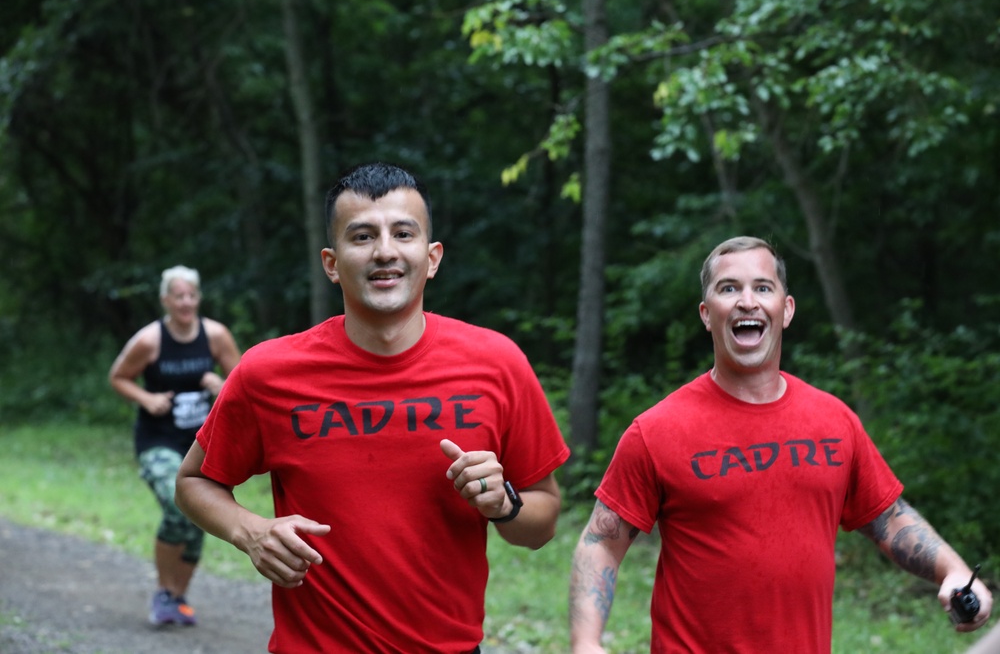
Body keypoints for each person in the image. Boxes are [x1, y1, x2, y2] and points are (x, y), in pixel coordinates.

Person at [175, 162, 570, 653]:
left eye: (403, 233)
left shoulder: (497, 363)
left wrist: (504, 503)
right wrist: (250, 530)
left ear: (432, 257)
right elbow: (194, 481)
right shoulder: (268, 372)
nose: (385, 251)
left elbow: (544, 521)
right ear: (332, 262)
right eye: (361, 236)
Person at [568, 236, 992, 652]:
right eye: (728, 288)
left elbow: (888, 517)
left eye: (763, 287)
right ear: (706, 313)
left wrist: (952, 571)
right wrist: (586, 643)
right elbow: (601, 542)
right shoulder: (657, 430)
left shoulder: (834, 421)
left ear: (785, 310)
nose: (747, 301)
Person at [109, 265, 241, 627]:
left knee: (199, 517)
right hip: (158, 442)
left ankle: (177, 597)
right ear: (166, 300)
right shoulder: (150, 340)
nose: (185, 302)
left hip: (200, 446)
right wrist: (146, 399)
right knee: (174, 504)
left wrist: (221, 385)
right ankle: (163, 592)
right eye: (177, 296)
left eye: (191, 295)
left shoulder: (215, 336)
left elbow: (245, 382)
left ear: (198, 298)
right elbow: (118, 377)